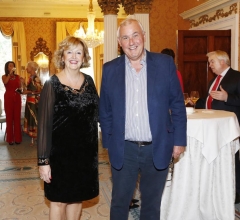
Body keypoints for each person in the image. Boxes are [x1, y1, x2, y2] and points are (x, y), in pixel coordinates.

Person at [99, 18, 187, 220]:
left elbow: (177, 105)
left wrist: (179, 141)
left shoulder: (165, 64)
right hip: (124, 148)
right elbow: (105, 110)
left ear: (144, 36)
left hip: (157, 147)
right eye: (125, 37)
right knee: (120, 203)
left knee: (151, 205)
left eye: (135, 35)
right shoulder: (110, 69)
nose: (131, 42)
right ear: (120, 43)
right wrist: (109, 143)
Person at [37, 36, 99, 219]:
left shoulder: (89, 82)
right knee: (58, 200)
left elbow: (98, 112)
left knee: (76, 198)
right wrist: (43, 162)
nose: (74, 56)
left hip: (85, 155)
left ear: (84, 57)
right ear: (62, 56)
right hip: (60, 156)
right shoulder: (52, 84)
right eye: (69, 51)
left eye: (78, 52)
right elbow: (43, 127)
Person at [195, 50, 240, 204]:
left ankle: (236, 192)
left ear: (222, 61)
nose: (210, 65)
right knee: (216, 157)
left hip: (228, 127)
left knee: (231, 158)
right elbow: (207, 100)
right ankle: (217, 187)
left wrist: (227, 97)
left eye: (212, 61)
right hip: (212, 125)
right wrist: (192, 103)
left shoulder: (237, 76)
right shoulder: (214, 80)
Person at [2, 61, 22, 145]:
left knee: (17, 118)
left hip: (17, 97)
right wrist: (10, 74)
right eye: (10, 66)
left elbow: (20, 88)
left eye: (13, 66)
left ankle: (17, 139)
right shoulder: (4, 76)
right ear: (7, 68)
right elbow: (5, 82)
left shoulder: (17, 76)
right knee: (9, 118)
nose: (12, 67)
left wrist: (22, 83)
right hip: (8, 97)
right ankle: (10, 139)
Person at [23, 61, 42, 146]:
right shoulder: (30, 77)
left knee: (34, 119)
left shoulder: (36, 78)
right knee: (31, 119)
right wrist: (23, 83)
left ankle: (35, 138)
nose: (26, 69)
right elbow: (27, 89)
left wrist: (28, 92)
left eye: (28, 67)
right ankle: (33, 138)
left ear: (32, 68)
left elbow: (39, 90)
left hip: (34, 101)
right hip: (29, 101)